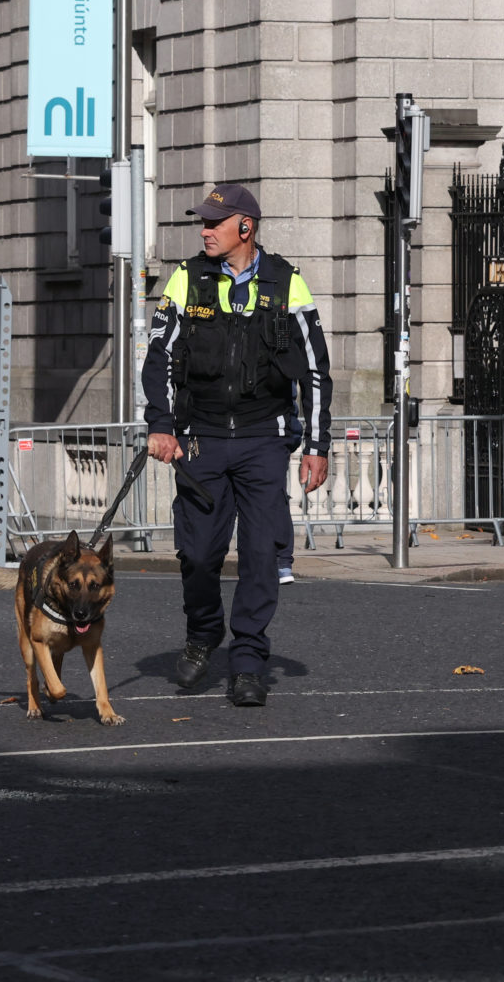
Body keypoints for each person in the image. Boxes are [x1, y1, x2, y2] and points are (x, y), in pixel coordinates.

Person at [142, 183, 332, 706]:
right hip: (199, 439)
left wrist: (317, 445)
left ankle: (248, 660)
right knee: (199, 554)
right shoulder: (186, 279)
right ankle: (203, 635)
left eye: (213, 223)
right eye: (202, 223)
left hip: (263, 440)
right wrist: (160, 424)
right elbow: (157, 357)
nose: (204, 231)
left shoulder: (286, 282)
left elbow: (315, 370)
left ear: (244, 228)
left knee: (259, 556)